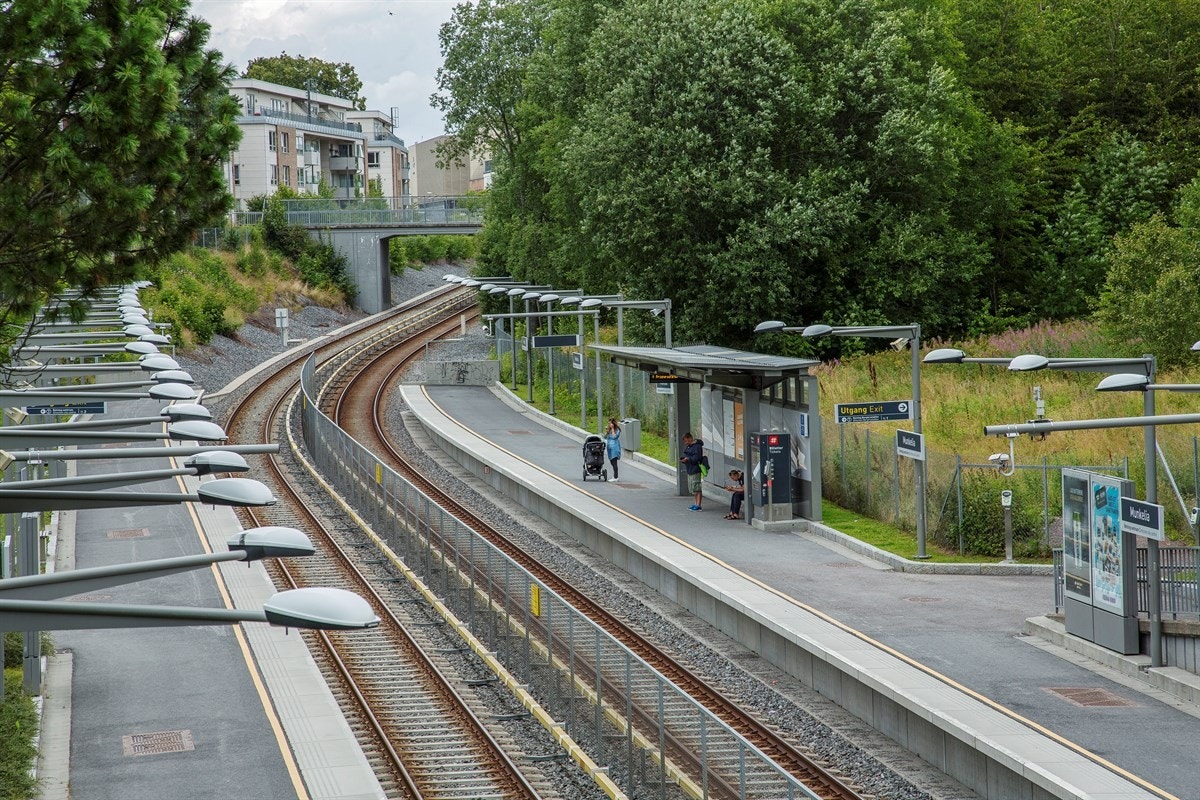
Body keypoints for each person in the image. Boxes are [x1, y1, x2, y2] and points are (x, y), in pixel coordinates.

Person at [679, 432, 705, 511]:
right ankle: (695, 503)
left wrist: (688, 459)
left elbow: (697, 457)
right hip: (690, 469)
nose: (686, 442)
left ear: (690, 438)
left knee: (697, 487)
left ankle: (698, 505)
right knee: (693, 488)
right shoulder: (689, 447)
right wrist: (684, 460)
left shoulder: (697, 447)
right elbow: (688, 456)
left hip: (695, 469)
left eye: (686, 440)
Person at [604, 418, 622, 482]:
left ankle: (616, 477)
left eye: (610, 423)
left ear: (613, 424)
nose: (609, 425)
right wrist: (607, 431)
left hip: (615, 447)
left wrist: (612, 429)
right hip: (609, 447)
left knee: (614, 462)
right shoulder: (609, 430)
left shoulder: (617, 430)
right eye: (608, 423)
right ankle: (615, 476)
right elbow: (605, 437)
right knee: (611, 462)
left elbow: (615, 437)